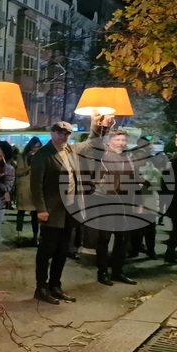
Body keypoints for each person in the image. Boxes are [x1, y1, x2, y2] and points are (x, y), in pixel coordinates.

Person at [30, 118, 107, 305]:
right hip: (51, 210)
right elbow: (36, 184)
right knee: (46, 251)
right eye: (60, 133)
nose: (63, 136)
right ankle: (41, 287)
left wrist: (97, 127)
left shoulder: (71, 150)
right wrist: (41, 209)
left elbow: (91, 144)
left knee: (62, 251)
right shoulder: (43, 155)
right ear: (52, 134)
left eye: (66, 134)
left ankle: (55, 285)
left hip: (70, 210)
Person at [86, 128, 140, 286]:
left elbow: (134, 181)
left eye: (123, 140)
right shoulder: (102, 157)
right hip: (106, 201)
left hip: (125, 202)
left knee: (122, 238)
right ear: (108, 142)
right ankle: (102, 271)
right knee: (104, 237)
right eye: (117, 140)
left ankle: (118, 270)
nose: (121, 143)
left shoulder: (127, 158)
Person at [14, 137, 42, 242]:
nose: (37, 149)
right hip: (25, 187)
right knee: (21, 211)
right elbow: (18, 172)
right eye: (35, 147)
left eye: (39, 147)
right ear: (31, 147)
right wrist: (29, 167)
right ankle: (19, 234)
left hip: (35, 187)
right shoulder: (23, 157)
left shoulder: (41, 157)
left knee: (35, 213)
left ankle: (35, 235)